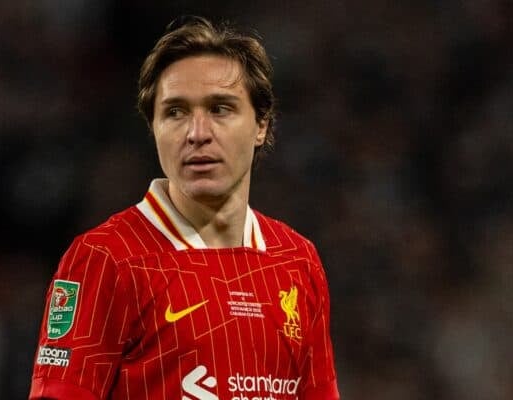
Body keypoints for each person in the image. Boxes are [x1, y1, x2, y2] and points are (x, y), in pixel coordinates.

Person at [29, 16, 340, 400]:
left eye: (220, 109)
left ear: (261, 124)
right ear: (154, 128)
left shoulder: (297, 261)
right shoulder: (105, 258)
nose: (197, 133)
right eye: (175, 112)